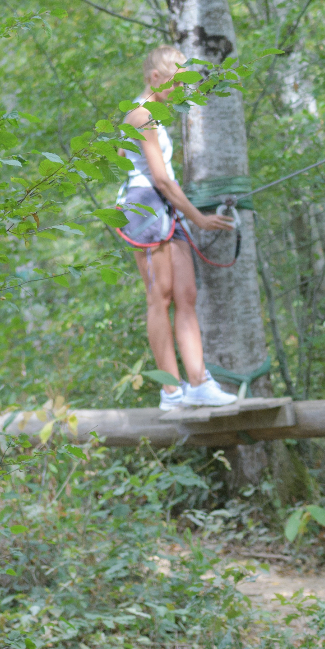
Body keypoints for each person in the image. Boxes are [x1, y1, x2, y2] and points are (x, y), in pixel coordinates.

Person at [114, 46, 240, 410]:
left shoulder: (151, 116)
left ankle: (199, 383)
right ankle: (171, 391)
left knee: (186, 295)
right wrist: (198, 218)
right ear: (154, 78)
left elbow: (126, 158)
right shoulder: (142, 115)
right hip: (146, 206)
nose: (181, 89)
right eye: (175, 81)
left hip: (164, 207)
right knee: (161, 297)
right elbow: (162, 179)